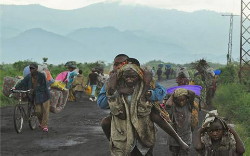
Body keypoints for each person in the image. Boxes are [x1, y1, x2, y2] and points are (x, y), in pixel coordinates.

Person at [107, 64, 189, 155]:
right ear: (122, 76)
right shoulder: (116, 87)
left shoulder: (145, 86)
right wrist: (115, 91)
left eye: (133, 77)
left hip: (143, 132)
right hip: (123, 132)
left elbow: (148, 105)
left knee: (156, 117)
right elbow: (118, 112)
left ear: (139, 76)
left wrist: (146, 86)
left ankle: (178, 140)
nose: (129, 79)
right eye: (126, 77)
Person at [13, 63, 50, 132]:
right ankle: (41, 123)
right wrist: (15, 88)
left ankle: (44, 125)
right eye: (30, 68)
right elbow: (22, 82)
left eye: (33, 68)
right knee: (38, 111)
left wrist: (35, 89)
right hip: (36, 96)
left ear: (36, 69)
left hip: (44, 95)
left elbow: (44, 86)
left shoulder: (41, 76)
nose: (31, 70)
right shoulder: (28, 76)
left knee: (45, 111)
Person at [165, 88, 198, 156]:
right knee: (174, 154)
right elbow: (168, 104)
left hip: (186, 137)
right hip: (174, 138)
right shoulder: (173, 107)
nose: (181, 102)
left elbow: (192, 94)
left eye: (183, 100)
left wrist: (183, 91)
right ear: (175, 99)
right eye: (179, 100)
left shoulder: (189, 106)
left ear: (187, 99)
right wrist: (173, 94)